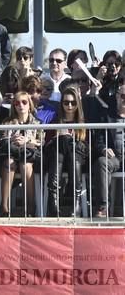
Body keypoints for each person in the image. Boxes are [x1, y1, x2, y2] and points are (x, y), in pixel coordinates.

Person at [0, 92, 43, 217]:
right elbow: (1, 141)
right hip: (11, 154)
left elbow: (41, 142)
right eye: (17, 103)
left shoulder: (38, 123)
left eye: (24, 102)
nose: (20, 105)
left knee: (26, 165)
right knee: (9, 163)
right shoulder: (7, 122)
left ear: (30, 104)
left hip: (30, 157)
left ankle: (30, 207)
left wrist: (27, 141)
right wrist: (12, 140)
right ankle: (4, 207)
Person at [45, 86, 88, 217]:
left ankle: (71, 203)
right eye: (66, 102)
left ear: (77, 104)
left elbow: (86, 145)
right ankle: (56, 203)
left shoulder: (83, 123)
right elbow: (47, 143)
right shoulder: (55, 121)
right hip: (57, 156)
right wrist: (59, 138)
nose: (69, 106)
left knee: (70, 147)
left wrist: (71, 139)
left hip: (78, 157)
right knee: (60, 146)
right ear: (61, 103)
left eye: (73, 103)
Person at [92, 83, 125, 218]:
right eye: (123, 96)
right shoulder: (107, 115)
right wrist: (104, 148)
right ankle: (103, 207)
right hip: (115, 158)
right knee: (101, 162)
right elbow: (99, 139)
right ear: (117, 96)